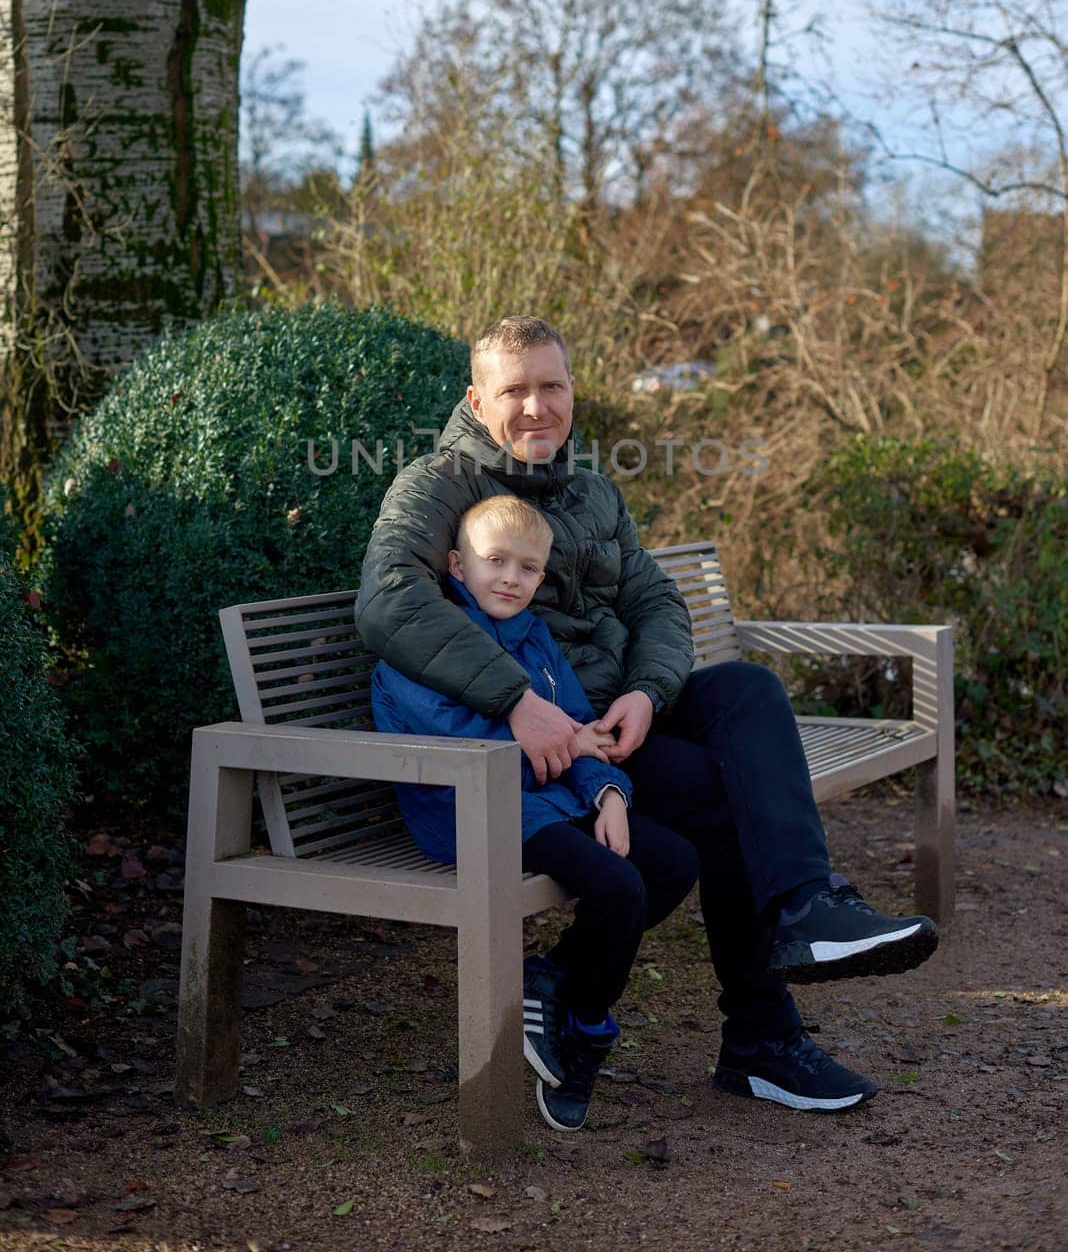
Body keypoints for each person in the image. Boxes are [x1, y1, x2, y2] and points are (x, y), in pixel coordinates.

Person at [356, 315, 939, 1113]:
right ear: (476, 398)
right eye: (514, 390)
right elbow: (389, 605)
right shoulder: (438, 486)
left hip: (614, 721)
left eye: (551, 386)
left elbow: (656, 600)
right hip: (533, 739)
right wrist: (518, 701)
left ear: (572, 391)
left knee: (749, 692)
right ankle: (762, 1041)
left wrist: (647, 694)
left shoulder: (594, 491)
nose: (536, 407)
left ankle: (809, 907)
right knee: (724, 794)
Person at [372, 494, 698, 1132]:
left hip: (547, 801)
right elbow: (465, 748)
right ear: (457, 567)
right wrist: (565, 747)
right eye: (495, 561)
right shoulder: (421, 646)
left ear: (541, 578)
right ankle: (586, 1029)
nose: (510, 578)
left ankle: (550, 981)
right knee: (618, 887)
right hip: (469, 812)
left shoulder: (536, 639)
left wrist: (608, 793)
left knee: (673, 863)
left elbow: (578, 730)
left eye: (527, 568)